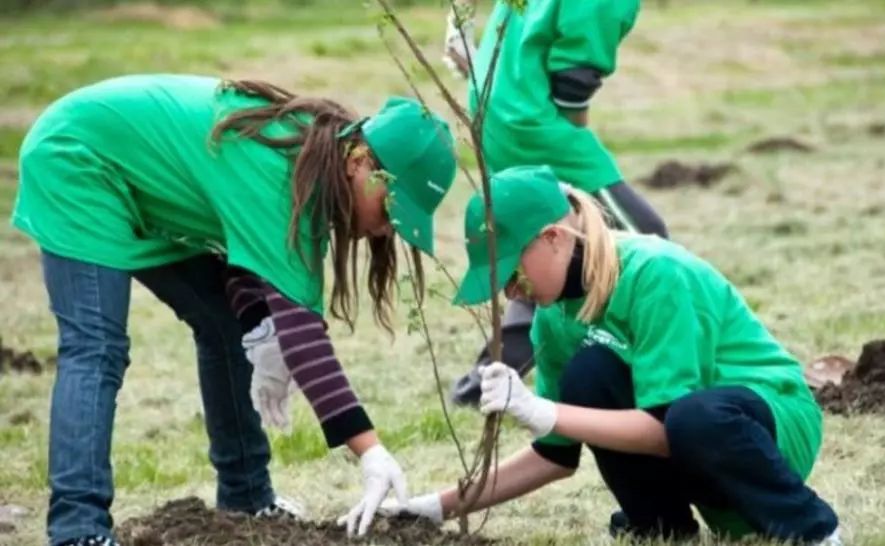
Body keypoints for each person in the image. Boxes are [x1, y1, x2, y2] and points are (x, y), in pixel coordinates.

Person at [10, 74, 457, 545]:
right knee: (97, 347)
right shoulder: (280, 175)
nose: (388, 229)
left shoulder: (315, 165)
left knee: (224, 325)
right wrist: (370, 450)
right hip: (79, 157)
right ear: (360, 160)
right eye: (391, 209)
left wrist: (257, 330)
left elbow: (243, 262)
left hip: (134, 179)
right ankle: (78, 530)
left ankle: (246, 497)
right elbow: (304, 339)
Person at [381, 166, 842, 545]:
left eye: (511, 271)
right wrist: (436, 507)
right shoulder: (553, 318)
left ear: (554, 237)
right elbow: (554, 455)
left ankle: (815, 531)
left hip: (769, 424)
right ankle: (661, 529)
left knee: (691, 416)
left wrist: (544, 410)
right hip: (697, 438)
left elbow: (666, 427)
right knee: (589, 373)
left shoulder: (656, 273)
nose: (509, 292)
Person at [442, 0, 670, 405]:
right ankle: (667, 365)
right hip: (532, 120)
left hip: (501, 104)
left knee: (546, 243)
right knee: (645, 238)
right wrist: (573, 138)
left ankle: (486, 380)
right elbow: (574, 80)